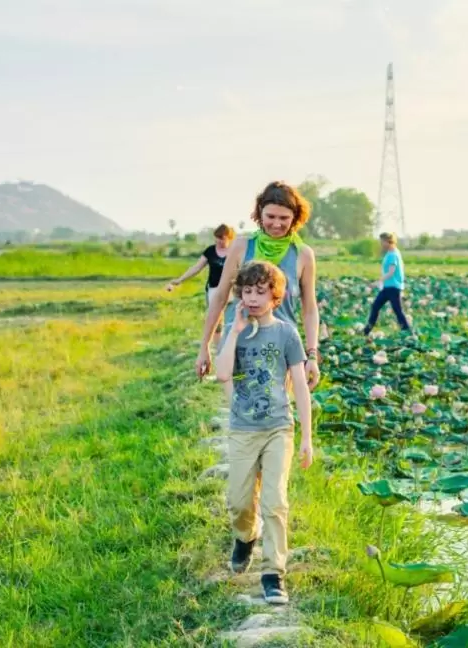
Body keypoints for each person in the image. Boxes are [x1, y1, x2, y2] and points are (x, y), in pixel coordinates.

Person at [215, 261, 314, 605]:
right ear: (240, 294)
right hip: (243, 428)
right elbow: (223, 375)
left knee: (274, 502)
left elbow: (300, 385)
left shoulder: (286, 333)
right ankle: (245, 537)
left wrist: (306, 437)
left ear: (275, 296)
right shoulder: (235, 328)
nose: (253, 298)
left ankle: (274, 573)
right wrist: (234, 331)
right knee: (239, 502)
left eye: (261, 292)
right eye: (247, 291)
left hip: (278, 428)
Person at [196, 182, 321, 390]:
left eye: (284, 218)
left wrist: (312, 355)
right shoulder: (241, 246)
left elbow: (309, 309)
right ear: (260, 213)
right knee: (242, 415)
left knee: (278, 415)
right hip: (239, 344)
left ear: (295, 218)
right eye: (271, 216)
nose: (277, 224)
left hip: (281, 347)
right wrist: (204, 348)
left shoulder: (303, 254)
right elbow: (219, 298)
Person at [167, 224, 235, 345]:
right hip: (214, 290)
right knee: (215, 322)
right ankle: (218, 349)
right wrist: (180, 280)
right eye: (217, 238)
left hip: (232, 291)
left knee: (232, 321)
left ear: (229, 238)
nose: (219, 241)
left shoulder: (235, 251)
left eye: (222, 238)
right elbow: (197, 267)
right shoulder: (210, 251)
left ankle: (231, 349)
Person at [364, 232, 411, 335]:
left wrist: (377, 282)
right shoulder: (391, 253)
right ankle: (366, 330)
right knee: (376, 306)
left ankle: (408, 332)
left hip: (393, 288)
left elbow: (391, 272)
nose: (381, 244)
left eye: (382, 241)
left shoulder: (393, 254)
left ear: (388, 241)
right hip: (387, 287)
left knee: (398, 311)